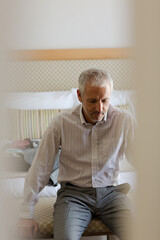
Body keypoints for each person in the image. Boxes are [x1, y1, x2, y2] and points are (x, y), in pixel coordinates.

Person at [18, 69, 135, 240]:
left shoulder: (124, 120)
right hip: (73, 196)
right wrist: (26, 213)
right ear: (80, 96)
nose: (99, 108)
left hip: (112, 194)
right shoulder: (61, 122)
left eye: (105, 100)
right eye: (92, 101)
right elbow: (41, 167)